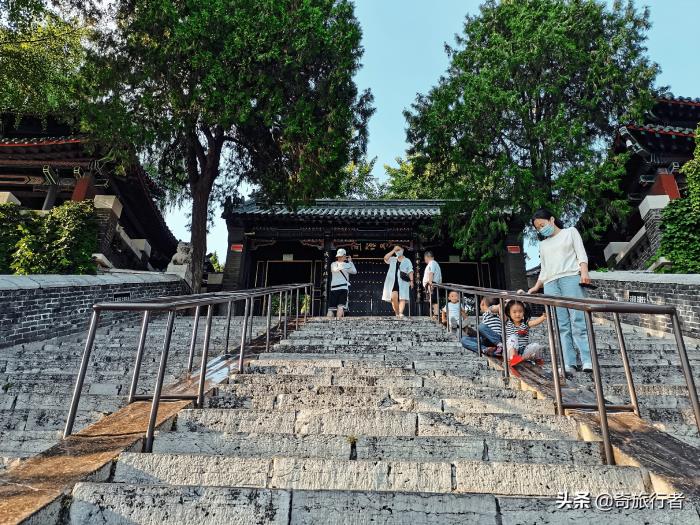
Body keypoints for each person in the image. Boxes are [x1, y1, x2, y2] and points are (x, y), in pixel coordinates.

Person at [527, 208, 592, 373]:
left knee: (578, 319)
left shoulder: (570, 232)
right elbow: (544, 268)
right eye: (538, 228)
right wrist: (537, 286)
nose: (541, 229)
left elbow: (581, 254)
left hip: (571, 278)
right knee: (561, 324)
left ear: (551, 219)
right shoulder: (543, 244)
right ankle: (569, 363)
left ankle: (587, 360)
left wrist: (584, 272)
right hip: (550, 284)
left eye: (542, 225)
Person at [504, 299, 547, 365]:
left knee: (536, 345)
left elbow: (534, 322)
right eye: (514, 312)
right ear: (509, 313)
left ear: (524, 312)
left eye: (520, 311)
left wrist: (543, 317)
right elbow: (501, 310)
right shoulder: (507, 322)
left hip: (523, 351)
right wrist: (506, 301)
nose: (517, 314)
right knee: (513, 337)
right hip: (510, 352)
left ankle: (536, 360)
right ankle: (513, 358)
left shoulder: (525, 323)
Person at [382, 245, 414, 318]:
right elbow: (385, 258)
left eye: (399, 249)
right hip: (393, 281)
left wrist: (411, 281)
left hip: (403, 282)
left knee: (402, 298)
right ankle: (397, 313)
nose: (397, 251)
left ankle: (400, 313)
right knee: (393, 297)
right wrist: (393, 250)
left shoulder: (407, 260)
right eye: (396, 250)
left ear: (402, 250)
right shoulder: (393, 259)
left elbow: (410, 271)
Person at [327, 248, 357, 318]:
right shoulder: (347, 265)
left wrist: (345, 264)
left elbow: (334, 270)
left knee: (331, 308)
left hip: (334, 288)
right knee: (340, 306)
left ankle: (328, 322)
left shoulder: (333, 264)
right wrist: (350, 262)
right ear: (344, 256)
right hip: (343, 288)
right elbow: (354, 271)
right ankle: (338, 322)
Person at [422, 251, 442, 319]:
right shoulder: (435, 263)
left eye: (424, 257)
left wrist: (430, 283)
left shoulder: (432, 263)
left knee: (433, 300)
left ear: (426, 257)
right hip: (433, 284)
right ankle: (434, 314)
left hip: (432, 284)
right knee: (432, 300)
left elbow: (431, 272)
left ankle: (436, 314)